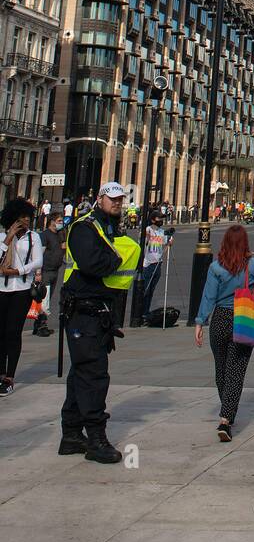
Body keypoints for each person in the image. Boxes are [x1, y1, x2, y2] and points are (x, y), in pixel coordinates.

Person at [58, 180, 142, 462]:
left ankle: (70, 434)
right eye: (112, 199)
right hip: (82, 309)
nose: (117, 203)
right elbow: (93, 264)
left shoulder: (107, 228)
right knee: (94, 373)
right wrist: (115, 258)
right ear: (99, 199)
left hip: (97, 310)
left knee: (81, 372)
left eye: (120, 199)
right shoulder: (84, 227)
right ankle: (96, 438)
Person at [194, 226, 254, 441]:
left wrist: (200, 322)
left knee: (221, 370)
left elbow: (208, 296)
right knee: (235, 372)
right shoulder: (253, 265)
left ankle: (227, 410)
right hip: (242, 318)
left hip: (220, 318)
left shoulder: (215, 267)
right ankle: (226, 419)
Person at [0, 199, 44, 394]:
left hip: (22, 288)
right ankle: (0, 373)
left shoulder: (33, 237)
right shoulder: (2, 236)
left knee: (13, 331)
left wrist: (19, 271)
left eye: (28, 217)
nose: (25, 221)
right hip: (2, 288)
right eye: (22, 217)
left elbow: (38, 261)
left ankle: (9, 376)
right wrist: (8, 239)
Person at [32, 211, 66, 336]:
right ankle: (42, 325)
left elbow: (63, 250)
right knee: (44, 300)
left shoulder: (59, 235)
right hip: (45, 271)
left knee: (48, 298)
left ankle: (39, 324)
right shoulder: (45, 235)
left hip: (55, 271)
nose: (61, 224)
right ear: (52, 222)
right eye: (59, 221)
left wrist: (63, 236)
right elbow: (39, 254)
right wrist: (38, 272)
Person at [140, 210, 173, 320]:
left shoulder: (161, 231)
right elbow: (143, 239)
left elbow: (167, 241)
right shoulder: (147, 230)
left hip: (158, 264)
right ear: (153, 220)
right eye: (159, 218)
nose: (161, 220)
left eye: (162, 218)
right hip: (148, 264)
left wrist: (170, 239)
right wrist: (148, 236)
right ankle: (141, 312)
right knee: (145, 290)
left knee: (151, 291)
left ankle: (146, 311)